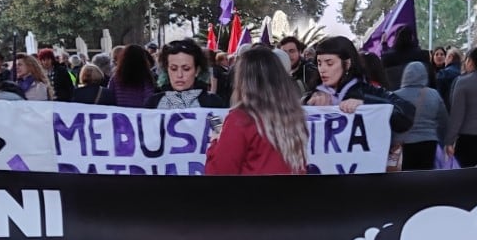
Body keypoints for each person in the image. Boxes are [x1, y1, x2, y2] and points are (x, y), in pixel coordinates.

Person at [205, 46, 308, 175]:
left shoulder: (240, 119)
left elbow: (219, 172)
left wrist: (216, 142)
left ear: (243, 80)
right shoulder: (294, 115)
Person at [305, 36, 413, 134]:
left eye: (329, 63)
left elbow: (406, 115)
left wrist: (365, 102)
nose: (322, 69)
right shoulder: (314, 96)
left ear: (347, 64)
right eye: (319, 63)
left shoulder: (368, 91)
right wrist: (306, 103)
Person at [391, 62, 447, 171]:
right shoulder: (434, 94)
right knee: (425, 178)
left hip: (403, 144)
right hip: (429, 143)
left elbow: (390, 123)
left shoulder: (395, 96)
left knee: (405, 178)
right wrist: (443, 141)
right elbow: (444, 121)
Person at [146, 39, 227, 109]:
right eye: (173, 69)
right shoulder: (153, 103)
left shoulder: (213, 103)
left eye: (186, 69)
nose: (179, 75)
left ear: (197, 70)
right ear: (167, 69)